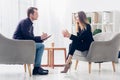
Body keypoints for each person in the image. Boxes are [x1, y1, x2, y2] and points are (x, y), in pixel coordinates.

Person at [13, 7, 51, 75]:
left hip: (25, 43)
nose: (38, 15)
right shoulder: (25, 22)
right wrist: (40, 37)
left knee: (40, 46)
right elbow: (28, 38)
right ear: (31, 14)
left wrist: (42, 39)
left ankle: (37, 67)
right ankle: (36, 68)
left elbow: (31, 39)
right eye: (36, 13)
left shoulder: (30, 25)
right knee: (41, 46)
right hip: (19, 44)